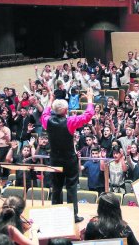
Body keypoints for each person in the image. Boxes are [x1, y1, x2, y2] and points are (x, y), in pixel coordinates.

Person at [41, 88, 95, 223]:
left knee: (56, 187)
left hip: (54, 159)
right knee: (71, 187)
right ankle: (73, 216)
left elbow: (45, 112)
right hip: (69, 160)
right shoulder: (70, 121)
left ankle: (56, 214)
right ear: (65, 111)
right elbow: (88, 115)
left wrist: (51, 100)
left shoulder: (46, 121)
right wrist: (89, 99)